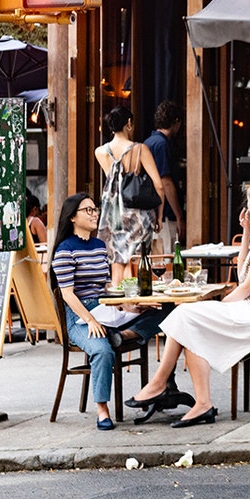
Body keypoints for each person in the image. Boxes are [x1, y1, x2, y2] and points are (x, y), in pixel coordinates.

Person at [126, 180, 250, 428]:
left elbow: (246, 287)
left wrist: (221, 304)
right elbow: (244, 276)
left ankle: (160, 384)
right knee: (188, 322)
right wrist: (246, 234)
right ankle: (199, 402)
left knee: (186, 316)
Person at [50, 193, 165, 431]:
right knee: (103, 351)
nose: (94, 214)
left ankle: (125, 335)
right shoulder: (64, 250)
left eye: (95, 209)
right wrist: (90, 320)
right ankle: (102, 408)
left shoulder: (100, 246)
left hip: (105, 309)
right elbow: (67, 294)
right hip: (80, 317)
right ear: (73, 217)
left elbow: (106, 289)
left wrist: (129, 306)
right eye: (88, 210)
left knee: (164, 311)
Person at [94, 106, 164, 286]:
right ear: (129, 124)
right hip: (138, 213)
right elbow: (159, 185)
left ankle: (120, 305)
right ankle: (132, 302)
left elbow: (114, 181)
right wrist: (160, 215)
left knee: (117, 259)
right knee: (136, 258)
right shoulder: (140, 149)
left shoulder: (100, 152)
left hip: (114, 213)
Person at [144, 100, 185, 254]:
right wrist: (179, 215)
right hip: (165, 214)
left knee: (156, 258)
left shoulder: (149, 142)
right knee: (167, 258)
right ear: (176, 122)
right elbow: (165, 182)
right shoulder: (162, 145)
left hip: (151, 211)